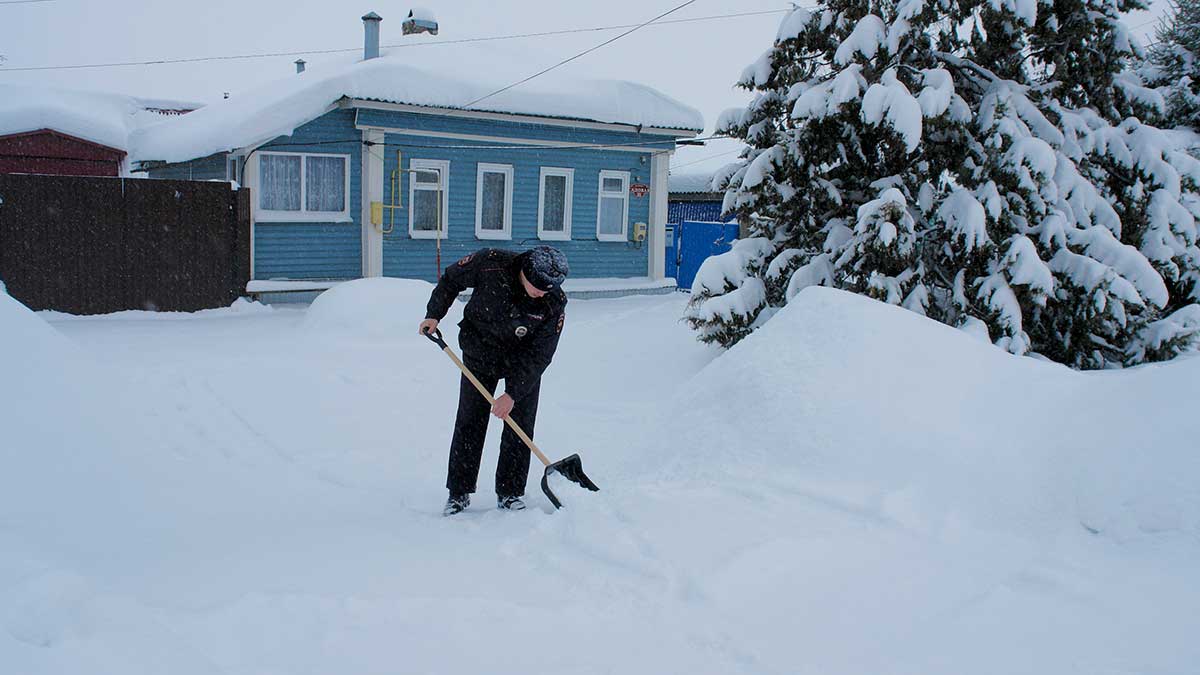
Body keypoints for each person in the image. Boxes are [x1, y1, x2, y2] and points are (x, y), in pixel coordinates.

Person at [418, 246, 569, 516]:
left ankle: (510, 492)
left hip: (522, 360)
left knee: (520, 423)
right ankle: (459, 492)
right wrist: (434, 313)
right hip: (480, 350)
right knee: (470, 421)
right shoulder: (490, 263)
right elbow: (452, 279)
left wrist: (512, 394)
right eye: (538, 287)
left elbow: (541, 354)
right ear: (527, 272)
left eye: (548, 289)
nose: (542, 293)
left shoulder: (553, 302)